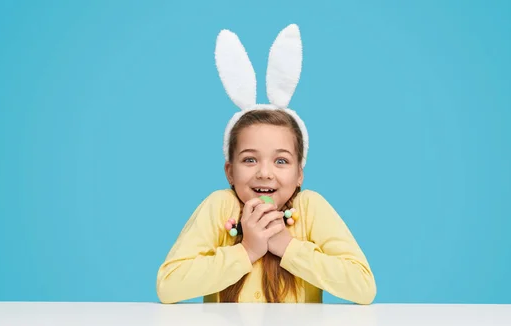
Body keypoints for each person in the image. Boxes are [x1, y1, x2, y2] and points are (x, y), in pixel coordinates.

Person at [156, 24, 376, 304]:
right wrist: (247, 250)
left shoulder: (310, 208)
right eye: (249, 159)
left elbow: (363, 287)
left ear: (299, 174)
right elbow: (168, 286)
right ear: (229, 172)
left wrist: (287, 246)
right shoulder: (219, 206)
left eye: (281, 161)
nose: (264, 173)